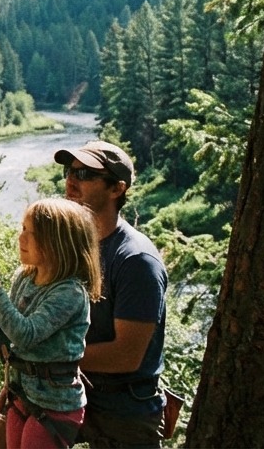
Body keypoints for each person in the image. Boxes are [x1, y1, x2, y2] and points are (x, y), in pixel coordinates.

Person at [59, 140, 169, 447]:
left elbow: (126, 355)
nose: (70, 180)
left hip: (123, 410)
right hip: (70, 393)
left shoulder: (136, 260)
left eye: (84, 174)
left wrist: (46, 356)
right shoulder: (74, 246)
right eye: (70, 170)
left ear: (116, 189)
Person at [0, 198, 103, 448]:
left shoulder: (70, 293)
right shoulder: (25, 277)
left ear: (56, 243)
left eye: (30, 233)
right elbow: (12, 327)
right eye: (22, 228)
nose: (21, 238)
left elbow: (26, 334)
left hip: (55, 406)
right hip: (21, 394)